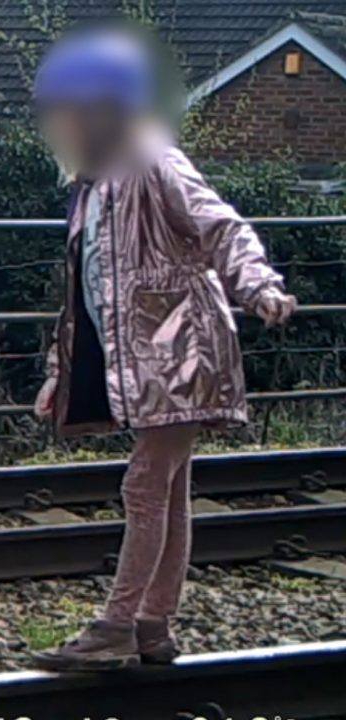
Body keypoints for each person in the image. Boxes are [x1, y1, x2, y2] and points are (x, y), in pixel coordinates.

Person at [29, 27, 297, 672]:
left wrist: (258, 284)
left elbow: (219, 222)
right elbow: (91, 292)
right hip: (151, 361)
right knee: (167, 490)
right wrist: (58, 372)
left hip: (183, 356)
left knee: (145, 484)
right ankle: (153, 624)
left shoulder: (150, 159)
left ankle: (118, 625)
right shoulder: (94, 184)